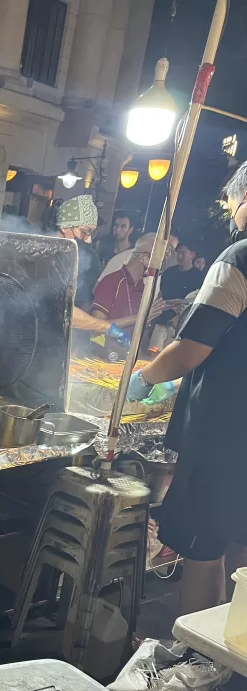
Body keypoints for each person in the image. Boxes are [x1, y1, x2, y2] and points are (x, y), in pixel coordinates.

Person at [127, 160, 247, 616]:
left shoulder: (239, 258)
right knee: (242, 551)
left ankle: (197, 653)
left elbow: (192, 348)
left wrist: (145, 378)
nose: (231, 213)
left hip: (225, 436)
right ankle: (231, 650)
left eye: (232, 204)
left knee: (203, 550)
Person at [55, 195, 118, 335]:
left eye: (91, 234)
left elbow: (85, 302)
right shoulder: (41, 256)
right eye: (84, 232)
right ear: (64, 227)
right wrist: (106, 327)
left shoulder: (88, 258)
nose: (88, 240)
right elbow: (61, 309)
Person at [91, 234, 165, 328]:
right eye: (157, 261)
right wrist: (140, 317)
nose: (159, 267)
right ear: (143, 257)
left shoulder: (141, 286)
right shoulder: (112, 281)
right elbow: (97, 325)